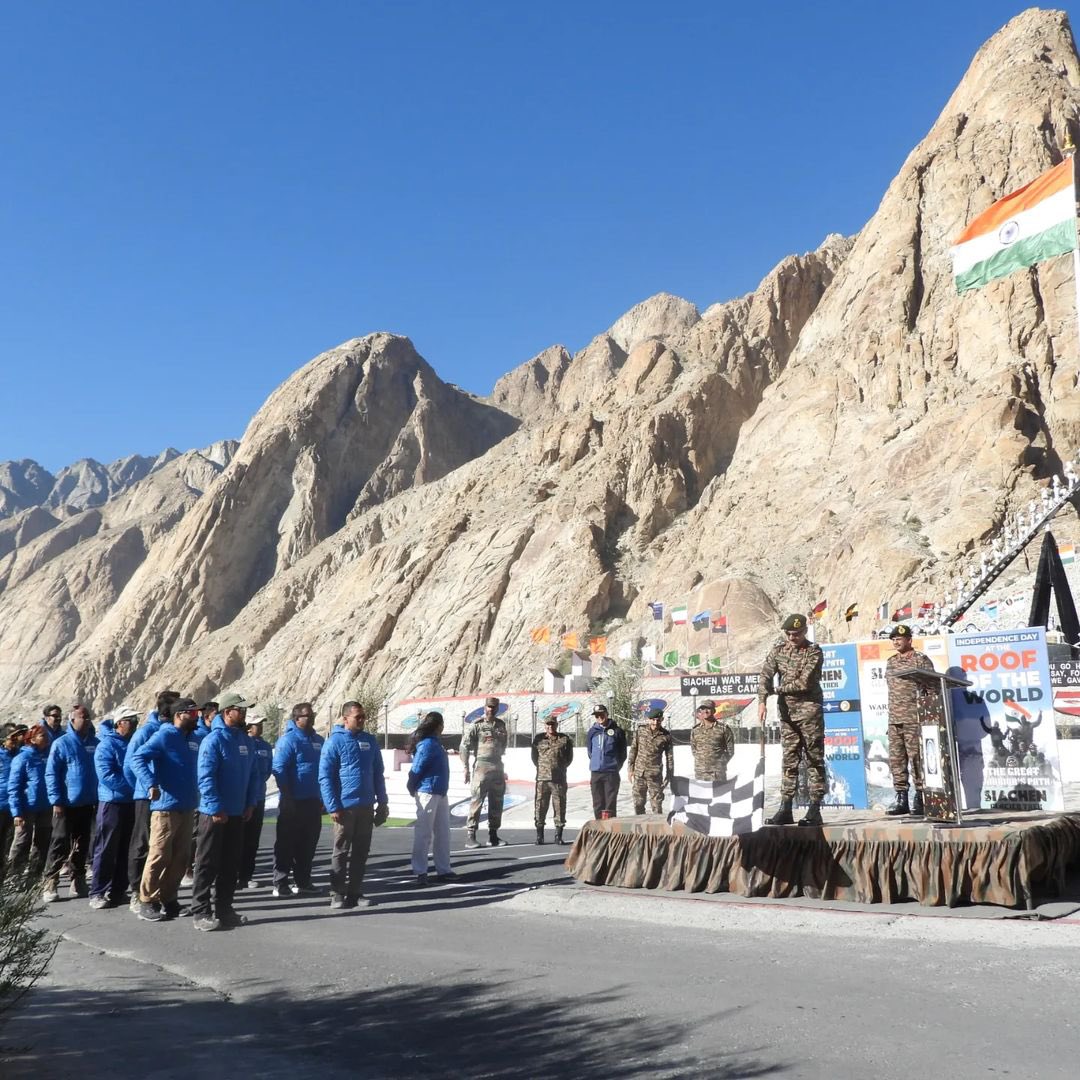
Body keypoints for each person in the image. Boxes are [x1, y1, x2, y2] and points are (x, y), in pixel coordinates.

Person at [190, 692, 260, 931]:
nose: (244, 714)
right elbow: (206, 777)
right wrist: (216, 806)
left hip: (238, 812)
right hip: (214, 813)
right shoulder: (214, 740)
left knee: (231, 863)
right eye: (240, 710)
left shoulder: (246, 741)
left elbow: (253, 775)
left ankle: (225, 909)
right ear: (228, 712)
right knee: (207, 863)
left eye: (245, 710)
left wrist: (250, 803)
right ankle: (201, 912)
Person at [130, 698, 201, 921]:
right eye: (193, 713)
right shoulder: (165, 735)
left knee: (181, 857)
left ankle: (169, 899)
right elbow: (137, 757)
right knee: (159, 854)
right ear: (180, 714)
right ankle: (146, 900)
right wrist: (150, 783)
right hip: (166, 806)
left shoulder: (193, 739)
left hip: (187, 805)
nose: (197, 717)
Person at [318, 702, 388, 909]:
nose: (362, 720)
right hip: (344, 807)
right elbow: (325, 777)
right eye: (358, 717)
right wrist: (333, 806)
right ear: (345, 718)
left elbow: (378, 773)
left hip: (366, 805)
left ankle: (355, 893)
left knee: (361, 852)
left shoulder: (369, 741)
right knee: (341, 851)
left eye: (364, 716)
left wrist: (382, 802)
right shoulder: (334, 742)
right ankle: (337, 893)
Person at [758, 613, 825, 826]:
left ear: (804, 631)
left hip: (809, 713)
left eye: (796, 634)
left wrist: (776, 690)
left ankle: (815, 809)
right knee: (789, 760)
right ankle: (786, 807)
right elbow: (765, 675)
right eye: (788, 633)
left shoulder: (814, 652)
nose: (792, 637)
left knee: (814, 759)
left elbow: (803, 682)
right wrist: (761, 699)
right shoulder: (779, 651)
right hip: (787, 715)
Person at [124, 689, 180, 910]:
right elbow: (131, 765)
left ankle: (159, 893)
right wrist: (142, 788)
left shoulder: (174, 732)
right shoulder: (146, 732)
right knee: (141, 844)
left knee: (161, 847)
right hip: (147, 796)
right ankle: (136, 892)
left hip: (166, 799)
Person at [43, 704, 98, 902]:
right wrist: (56, 800)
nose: (87, 719)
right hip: (66, 803)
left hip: (87, 802)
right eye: (83, 716)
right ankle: (51, 880)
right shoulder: (62, 743)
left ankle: (78, 879)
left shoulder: (95, 743)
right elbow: (52, 774)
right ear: (72, 720)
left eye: (89, 716)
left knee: (82, 843)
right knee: (60, 841)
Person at [271, 701, 325, 897]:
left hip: (313, 800)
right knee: (286, 843)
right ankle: (280, 882)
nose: (311, 718)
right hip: (292, 800)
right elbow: (279, 769)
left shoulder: (319, 740)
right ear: (297, 718)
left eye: (312, 714)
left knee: (308, 843)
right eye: (307, 716)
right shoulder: (288, 741)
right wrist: (287, 796)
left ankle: (303, 881)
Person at [88, 706, 139, 909]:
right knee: (106, 848)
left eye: (135, 721)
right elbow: (107, 775)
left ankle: (118, 890)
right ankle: (97, 891)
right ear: (119, 724)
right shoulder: (106, 745)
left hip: (130, 803)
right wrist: (133, 787)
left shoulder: (132, 743)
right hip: (112, 802)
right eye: (130, 721)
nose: (134, 724)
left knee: (126, 848)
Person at [884, 624, 935, 817]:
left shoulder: (920, 660)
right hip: (895, 719)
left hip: (914, 718)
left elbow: (932, 688)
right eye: (894, 639)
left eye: (899, 638)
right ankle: (901, 798)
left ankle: (921, 797)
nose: (896, 641)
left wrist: (928, 717)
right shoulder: (891, 662)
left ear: (909, 640)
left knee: (916, 759)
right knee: (897, 760)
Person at [408, 712, 454, 884]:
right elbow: (417, 767)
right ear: (438, 726)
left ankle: (443, 869)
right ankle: (420, 871)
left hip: (440, 791)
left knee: (443, 833)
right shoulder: (427, 744)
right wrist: (412, 786)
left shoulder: (435, 743)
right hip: (428, 791)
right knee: (424, 832)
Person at [460, 696, 508, 849]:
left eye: (494, 707)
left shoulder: (501, 725)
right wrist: (466, 767)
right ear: (484, 707)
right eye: (488, 707)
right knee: (477, 800)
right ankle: (471, 835)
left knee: (497, 801)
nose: (491, 709)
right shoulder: (477, 725)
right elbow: (464, 746)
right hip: (481, 766)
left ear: (497, 708)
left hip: (497, 766)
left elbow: (503, 745)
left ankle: (493, 835)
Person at [7, 725, 54, 877]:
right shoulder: (22, 758)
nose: (46, 739)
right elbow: (14, 787)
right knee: (22, 840)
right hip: (26, 807)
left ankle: (35, 874)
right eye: (42, 736)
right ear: (32, 739)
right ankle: (14, 874)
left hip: (45, 806)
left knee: (42, 841)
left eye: (46, 736)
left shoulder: (48, 756)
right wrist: (17, 813)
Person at [238, 713, 272, 889]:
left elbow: (267, 771)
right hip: (241, 799)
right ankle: (233, 874)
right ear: (249, 726)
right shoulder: (242, 743)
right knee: (238, 840)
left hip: (258, 798)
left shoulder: (266, 746)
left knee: (252, 840)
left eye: (261, 724)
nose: (261, 727)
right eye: (257, 724)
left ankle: (246, 876)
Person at [531, 715, 575, 842]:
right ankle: (540, 835)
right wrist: (543, 768)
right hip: (542, 779)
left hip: (558, 779)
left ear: (556, 724)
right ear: (545, 726)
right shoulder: (538, 739)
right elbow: (534, 758)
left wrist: (559, 767)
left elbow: (569, 758)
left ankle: (558, 835)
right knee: (540, 806)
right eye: (548, 725)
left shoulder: (564, 739)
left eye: (552, 724)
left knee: (560, 806)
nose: (550, 727)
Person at [629, 707, 674, 815]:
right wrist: (630, 769)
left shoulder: (666, 736)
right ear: (649, 719)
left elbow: (669, 757)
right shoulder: (640, 731)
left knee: (656, 804)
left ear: (662, 719)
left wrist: (669, 775)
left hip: (655, 775)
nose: (655, 722)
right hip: (640, 773)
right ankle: (640, 829)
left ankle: (657, 831)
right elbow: (633, 750)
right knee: (638, 803)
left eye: (658, 720)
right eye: (653, 720)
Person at [586, 704, 627, 819]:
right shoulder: (592, 732)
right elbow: (590, 751)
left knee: (610, 804)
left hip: (611, 773)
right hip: (596, 772)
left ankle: (609, 832)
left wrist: (614, 766)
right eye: (597, 715)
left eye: (601, 714)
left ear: (607, 714)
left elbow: (622, 753)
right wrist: (596, 763)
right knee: (598, 804)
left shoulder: (617, 731)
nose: (599, 717)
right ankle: (599, 831)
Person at [0, 723, 28, 886]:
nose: (17, 739)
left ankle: (13, 873)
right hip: (1, 803)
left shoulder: (21, 755)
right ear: (4, 739)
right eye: (12, 737)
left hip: (17, 804)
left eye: (18, 736)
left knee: (18, 841)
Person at [689, 700, 735, 783]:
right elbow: (694, 749)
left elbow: (730, 751)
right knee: (701, 795)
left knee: (719, 795)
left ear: (714, 711)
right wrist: (701, 762)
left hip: (717, 773)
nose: (705, 711)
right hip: (700, 773)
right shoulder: (695, 730)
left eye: (708, 709)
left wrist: (720, 763)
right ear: (700, 711)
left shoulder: (723, 729)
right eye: (703, 709)